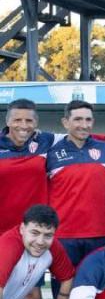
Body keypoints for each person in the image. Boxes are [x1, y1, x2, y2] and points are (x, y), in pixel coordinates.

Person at [47, 100, 105, 280]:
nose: (84, 125)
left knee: (98, 287)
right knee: (63, 287)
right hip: (63, 235)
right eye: (78, 119)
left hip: (100, 234)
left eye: (88, 120)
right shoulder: (50, 152)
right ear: (65, 122)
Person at [0, 99, 57, 232]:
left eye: (29, 121)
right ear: (8, 122)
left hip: (37, 229)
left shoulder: (45, 140)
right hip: (3, 228)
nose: (24, 125)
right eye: (17, 120)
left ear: (36, 123)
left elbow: (76, 135)